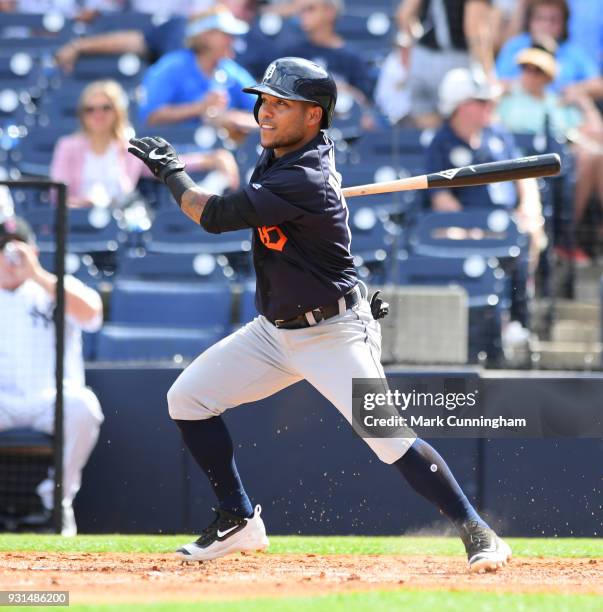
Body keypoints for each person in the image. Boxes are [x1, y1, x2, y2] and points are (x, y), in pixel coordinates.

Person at [127, 56, 511, 572]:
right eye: (264, 99)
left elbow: (213, 215)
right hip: (274, 330)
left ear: (314, 116)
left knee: (387, 438)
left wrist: (170, 170)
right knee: (188, 399)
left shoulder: (303, 177)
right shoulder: (285, 157)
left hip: (332, 332)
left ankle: (478, 532)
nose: (265, 110)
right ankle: (238, 518)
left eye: (281, 103)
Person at [0, 216, 104, 536]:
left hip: (51, 398)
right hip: (3, 399)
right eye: (4, 248)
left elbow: (92, 315)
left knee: (84, 406)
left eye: (19, 247)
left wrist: (37, 274)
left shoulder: (54, 286)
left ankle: (56, 501)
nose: (11, 257)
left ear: (34, 250)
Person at [427, 67, 545, 333]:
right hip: (469, 227)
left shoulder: (498, 135)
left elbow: (524, 175)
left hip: (509, 223)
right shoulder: (442, 142)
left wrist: (528, 206)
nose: (490, 105)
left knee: (526, 234)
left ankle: (518, 322)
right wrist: (475, 226)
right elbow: (440, 197)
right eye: (481, 101)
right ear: (461, 105)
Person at [50, 80, 240, 208]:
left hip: (119, 222)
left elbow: (166, 164)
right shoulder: (67, 146)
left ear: (117, 112)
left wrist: (213, 159)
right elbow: (56, 196)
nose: (98, 114)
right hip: (75, 221)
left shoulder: (128, 148)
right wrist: (84, 204)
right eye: (90, 109)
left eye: (106, 108)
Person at [497, 42, 603, 264]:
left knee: (595, 155)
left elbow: (595, 133)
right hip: (514, 169)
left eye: (538, 71)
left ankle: (566, 234)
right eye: (526, 68)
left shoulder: (557, 104)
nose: (531, 75)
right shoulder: (506, 98)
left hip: (554, 173)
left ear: (548, 77)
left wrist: (583, 101)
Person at [137, 5, 257, 137]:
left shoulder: (231, 71)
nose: (231, 40)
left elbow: (267, 116)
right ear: (206, 36)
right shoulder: (172, 67)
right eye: (225, 34)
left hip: (218, 153)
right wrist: (200, 107)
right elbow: (150, 118)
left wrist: (232, 119)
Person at [395, 0, 494, 128]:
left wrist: (416, 46)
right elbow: (474, 29)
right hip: (457, 64)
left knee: (429, 128)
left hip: (421, 59)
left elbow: (404, 14)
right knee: (461, 126)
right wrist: (487, 72)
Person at [279, 0, 377, 117]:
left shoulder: (352, 57)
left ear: (329, 12)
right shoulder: (292, 54)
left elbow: (366, 102)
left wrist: (343, 90)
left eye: (310, 9)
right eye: (301, 10)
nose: (302, 14)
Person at [495, 0, 603, 101]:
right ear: (530, 21)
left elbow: (598, 84)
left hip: (560, 112)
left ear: (563, 23)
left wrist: (575, 90)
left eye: (553, 20)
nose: (546, 25)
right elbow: (497, 82)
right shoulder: (516, 46)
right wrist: (526, 85)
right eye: (540, 19)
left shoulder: (573, 52)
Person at [374, 31, 413, 126]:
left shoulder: (419, 60)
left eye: (406, 48)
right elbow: (381, 96)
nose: (403, 51)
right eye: (400, 48)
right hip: (391, 116)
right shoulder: (391, 63)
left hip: (414, 115)